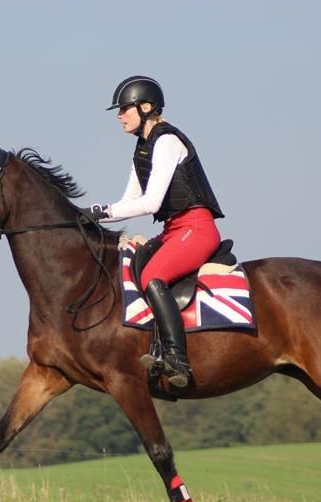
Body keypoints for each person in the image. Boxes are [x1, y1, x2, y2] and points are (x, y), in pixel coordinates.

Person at [85, 75, 225, 388]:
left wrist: (102, 211)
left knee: (152, 277)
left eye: (124, 108)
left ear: (146, 107)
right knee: (131, 265)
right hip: (174, 229)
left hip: (197, 227)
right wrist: (88, 217)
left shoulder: (166, 141)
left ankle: (177, 358)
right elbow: (127, 202)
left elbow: (150, 203)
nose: (119, 116)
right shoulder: (142, 148)